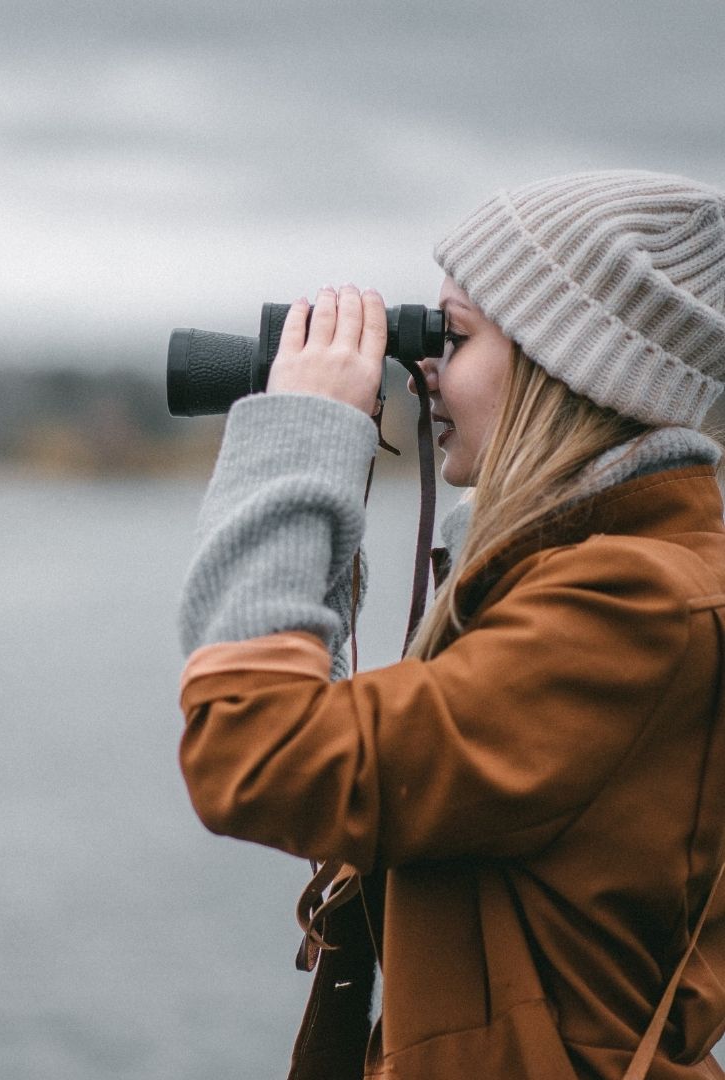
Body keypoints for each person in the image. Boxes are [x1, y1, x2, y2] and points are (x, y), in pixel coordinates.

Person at [176, 171, 725, 1080]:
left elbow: (256, 753)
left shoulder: (630, 605)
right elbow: (384, 774)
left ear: (570, 364)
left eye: (456, 335)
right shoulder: (614, 574)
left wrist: (300, 435)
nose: (422, 366)